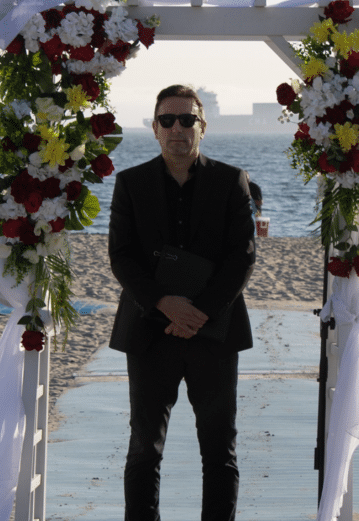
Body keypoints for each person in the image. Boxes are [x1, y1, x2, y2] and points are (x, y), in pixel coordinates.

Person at [108, 84, 256, 521]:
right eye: (168, 120)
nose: (178, 128)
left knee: (219, 450)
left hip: (215, 331)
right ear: (154, 129)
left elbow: (242, 256)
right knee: (143, 450)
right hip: (150, 331)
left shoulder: (232, 181)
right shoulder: (130, 183)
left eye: (187, 119)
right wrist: (166, 305)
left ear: (202, 127)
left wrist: (199, 311)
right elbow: (122, 256)